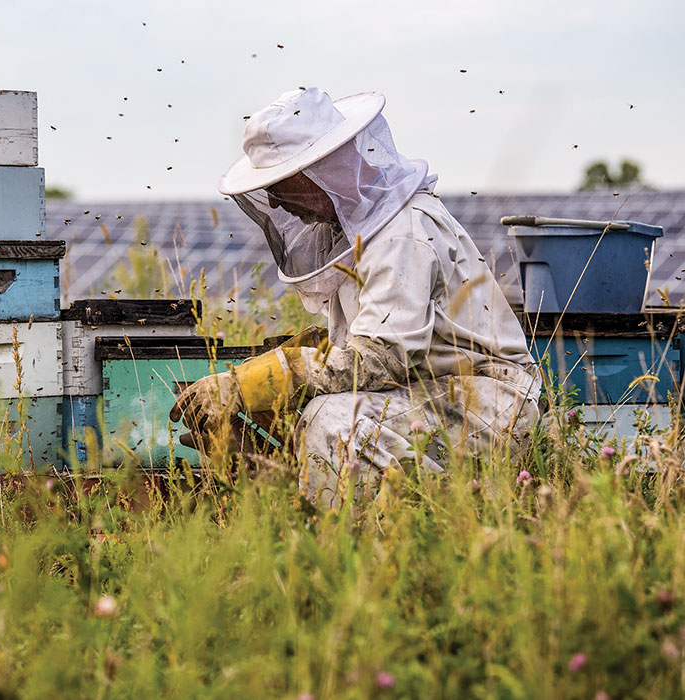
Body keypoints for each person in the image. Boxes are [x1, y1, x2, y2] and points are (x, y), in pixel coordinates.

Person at [170, 87, 541, 507]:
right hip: (425, 391)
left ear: (325, 170)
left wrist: (250, 383)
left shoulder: (404, 231)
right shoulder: (352, 231)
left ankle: (362, 551)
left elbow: (382, 359)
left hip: (487, 399)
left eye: (282, 183)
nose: (274, 200)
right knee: (311, 410)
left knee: (332, 421)